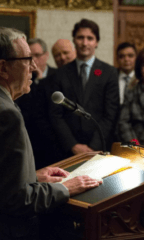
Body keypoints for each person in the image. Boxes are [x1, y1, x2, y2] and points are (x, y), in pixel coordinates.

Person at [0, 27, 102, 240]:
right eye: (27, 59)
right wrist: (66, 188)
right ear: (3, 68)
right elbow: (17, 200)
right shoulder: (4, 113)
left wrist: (31, 176)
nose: (34, 67)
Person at [49, 19, 119, 156]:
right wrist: (73, 145)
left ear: (96, 42)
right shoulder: (60, 74)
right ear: (74, 40)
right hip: (67, 150)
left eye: (90, 38)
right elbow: (55, 114)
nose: (85, 43)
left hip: (99, 148)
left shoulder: (109, 72)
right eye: (80, 37)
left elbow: (110, 114)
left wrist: (93, 146)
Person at [15, 38, 60, 168]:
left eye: (37, 55)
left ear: (46, 55)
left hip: (55, 141)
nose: (33, 60)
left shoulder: (57, 75)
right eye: (30, 56)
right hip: (32, 139)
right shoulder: (21, 78)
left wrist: (42, 80)